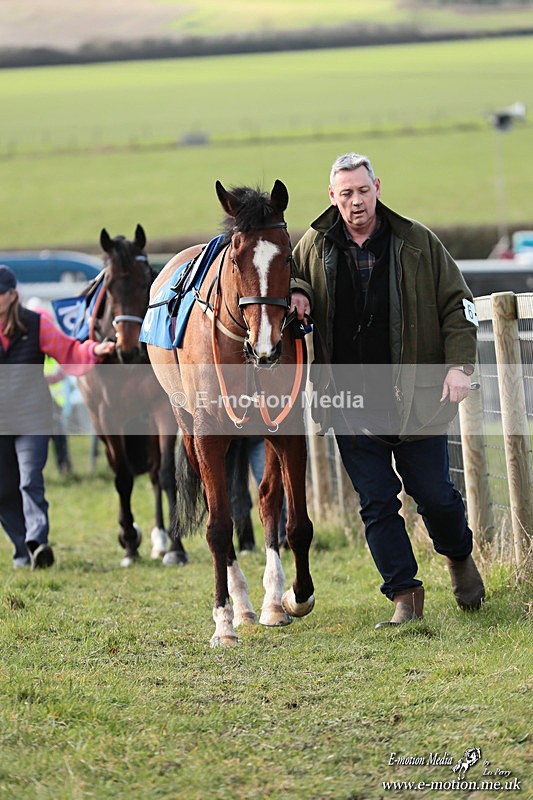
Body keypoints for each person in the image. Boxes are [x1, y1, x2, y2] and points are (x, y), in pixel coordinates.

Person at [290, 152, 485, 626]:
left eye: (362, 190)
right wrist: (297, 289)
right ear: (331, 197)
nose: (355, 202)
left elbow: (459, 304)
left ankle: (458, 557)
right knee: (377, 502)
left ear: (377, 186)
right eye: (345, 194)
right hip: (348, 400)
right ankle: (404, 596)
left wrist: (459, 366)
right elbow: (287, 276)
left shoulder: (417, 241)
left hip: (417, 397)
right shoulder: (314, 246)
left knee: (435, 494)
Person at [0, 265, 115, 569]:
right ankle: (23, 548)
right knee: (3, 489)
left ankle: (38, 542)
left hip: (32, 418)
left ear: (12, 295)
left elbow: (69, 351)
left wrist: (93, 349)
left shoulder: (36, 325)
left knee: (30, 480)